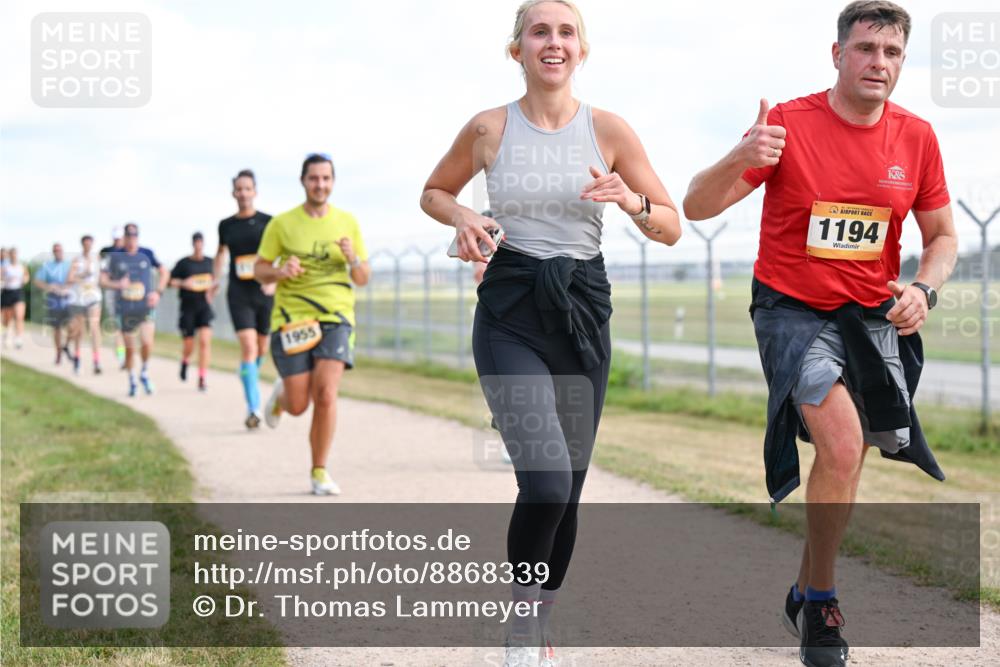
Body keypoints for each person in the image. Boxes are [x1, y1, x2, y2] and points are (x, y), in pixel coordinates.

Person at [682, 3, 957, 666]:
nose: (878, 63)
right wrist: (740, 154)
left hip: (869, 316)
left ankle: (804, 589)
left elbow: (943, 236)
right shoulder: (787, 124)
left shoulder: (917, 137)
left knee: (847, 457)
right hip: (791, 310)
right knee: (842, 440)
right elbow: (696, 205)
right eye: (865, 49)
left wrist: (923, 288)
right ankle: (823, 608)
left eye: (891, 53)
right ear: (837, 55)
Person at [420, 2, 680, 664]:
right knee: (546, 484)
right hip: (510, 308)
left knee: (571, 489)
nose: (554, 42)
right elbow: (433, 192)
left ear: (581, 50)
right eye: (540, 31)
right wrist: (464, 216)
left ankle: (538, 618)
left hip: (581, 312)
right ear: (518, 50)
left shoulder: (609, 130)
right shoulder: (489, 127)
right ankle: (520, 625)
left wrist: (631, 201)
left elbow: (671, 225)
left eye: (567, 32)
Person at [256, 153, 370, 496]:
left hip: (336, 316)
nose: (320, 185)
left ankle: (319, 471)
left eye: (326, 178)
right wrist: (280, 271)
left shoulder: (347, 222)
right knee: (298, 405)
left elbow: (362, 277)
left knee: (326, 393)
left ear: (332, 182)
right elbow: (259, 270)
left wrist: (352, 257)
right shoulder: (282, 224)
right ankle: (282, 396)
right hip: (292, 319)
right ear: (303, 181)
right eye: (314, 178)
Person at [213, 169, 274, 427]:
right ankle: (253, 408)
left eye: (247, 188)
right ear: (233, 193)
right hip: (239, 293)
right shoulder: (226, 225)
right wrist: (215, 280)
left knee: (262, 348)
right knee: (249, 347)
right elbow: (220, 254)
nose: (243, 193)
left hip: (264, 291)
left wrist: (274, 281)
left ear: (255, 192)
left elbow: (280, 253)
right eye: (239, 189)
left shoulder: (268, 222)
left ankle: (248, 374)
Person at [101, 223, 169, 396]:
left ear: (138, 236)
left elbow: (164, 272)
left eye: (134, 235)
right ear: (124, 237)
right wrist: (117, 284)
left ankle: (144, 372)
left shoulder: (147, 254)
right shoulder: (115, 257)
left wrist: (158, 292)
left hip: (145, 306)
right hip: (125, 307)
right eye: (129, 236)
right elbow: (102, 280)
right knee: (130, 348)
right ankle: (132, 379)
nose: (132, 239)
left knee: (147, 342)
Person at [170, 232, 215, 391]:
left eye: (200, 242)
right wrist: (184, 283)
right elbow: (170, 281)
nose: (198, 245)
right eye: (196, 242)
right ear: (193, 244)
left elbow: (215, 283)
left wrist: (211, 292)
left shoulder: (210, 263)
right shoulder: (184, 263)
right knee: (189, 345)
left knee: (204, 342)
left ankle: (202, 377)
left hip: (204, 307)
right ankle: (185, 360)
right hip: (188, 307)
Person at [66, 234, 104, 374]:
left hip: (94, 297)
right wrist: (83, 275)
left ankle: (96, 361)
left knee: (94, 328)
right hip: (79, 298)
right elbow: (69, 279)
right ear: (82, 245)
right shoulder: (77, 260)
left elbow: (101, 278)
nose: (88, 246)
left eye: (90, 243)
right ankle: (77, 359)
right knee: (79, 330)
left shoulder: (97, 259)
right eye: (85, 244)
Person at [34, 243, 73, 365]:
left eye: (59, 250)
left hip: (68, 297)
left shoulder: (69, 265)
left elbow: (75, 279)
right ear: (53, 252)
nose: (58, 252)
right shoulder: (47, 266)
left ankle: (66, 345)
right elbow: (37, 281)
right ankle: (58, 353)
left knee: (73, 325)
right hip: (54, 299)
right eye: (55, 250)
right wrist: (49, 286)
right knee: (57, 327)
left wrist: (68, 287)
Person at [100, 227, 128, 367]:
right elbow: (103, 275)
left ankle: (127, 354)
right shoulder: (107, 252)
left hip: (128, 292)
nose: (118, 241)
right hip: (113, 291)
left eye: (119, 238)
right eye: (116, 238)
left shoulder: (129, 252)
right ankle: (122, 356)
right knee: (118, 325)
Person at [1, 247, 29, 349]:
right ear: (10, 255)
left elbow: (26, 276)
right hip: (7, 291)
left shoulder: (21, 266)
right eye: (12, 254)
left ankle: (18, 337)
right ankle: (7, 333)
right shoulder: (5, 266)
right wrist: (5, 278)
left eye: (15, 254)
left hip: (18, 292)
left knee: (19, 315)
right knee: (7, 319)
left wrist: (24, 280)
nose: (14, 256)